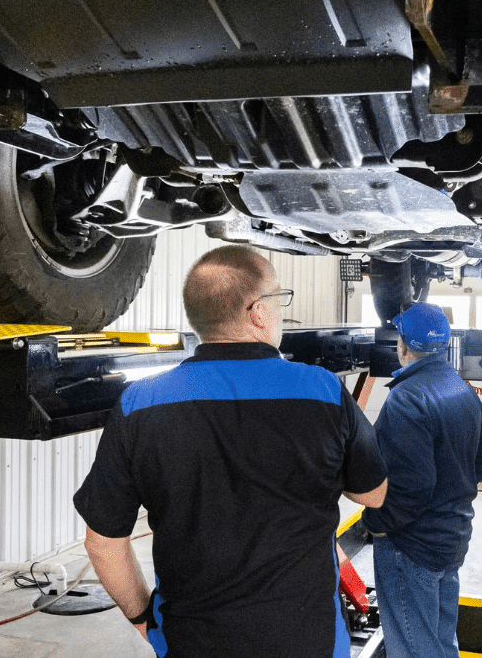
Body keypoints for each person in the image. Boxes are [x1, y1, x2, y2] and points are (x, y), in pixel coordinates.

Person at [74, 245, 388, 658]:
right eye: (278, 300)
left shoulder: (140, 404)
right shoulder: (323, 391)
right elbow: (373, 495)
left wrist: (143, 618)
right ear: (257, 311)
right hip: (308, 641)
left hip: (192, 643)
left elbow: (103, 543)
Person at [362, 302, 482, 658]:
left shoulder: (406, 398)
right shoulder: (459, 387)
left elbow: (413, 487)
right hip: (450, 537)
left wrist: (377, 524)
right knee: (439, 642)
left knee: (413, 649)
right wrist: (455, 492)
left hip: (411, 545)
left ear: (402, 346)